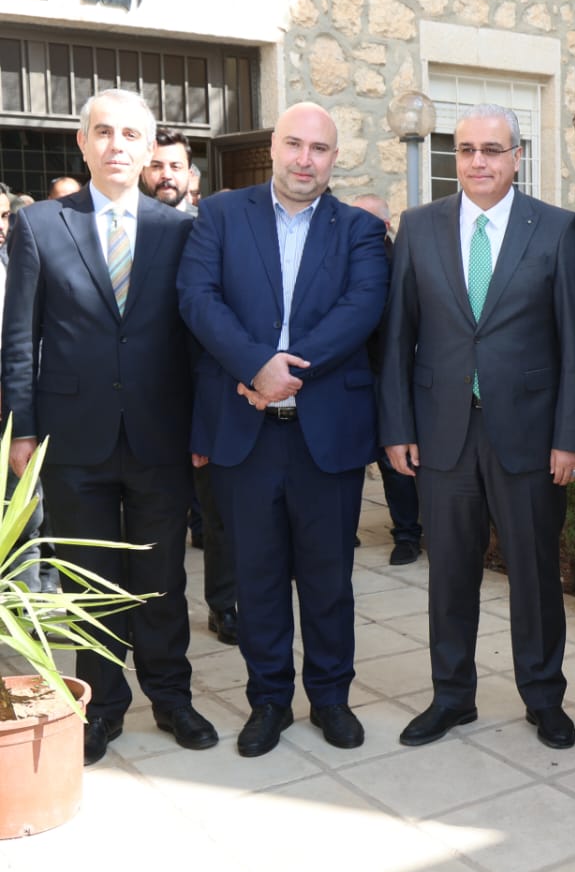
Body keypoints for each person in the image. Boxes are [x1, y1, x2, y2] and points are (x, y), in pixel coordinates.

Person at [2, 88, 218, 765]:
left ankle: (172, 698)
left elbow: (196, 339)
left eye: (130, 134)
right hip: (72, 438)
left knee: (161, 580)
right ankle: (102, 708)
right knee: (86, 583)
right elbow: (19, 337)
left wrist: (203, 429)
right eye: (103, 131)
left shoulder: (180, 230)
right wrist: (21, 429)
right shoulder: (40, 224)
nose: (116, 144)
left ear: (149, 147)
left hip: (161, 435)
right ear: (83, 142)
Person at [380, 103, 575, 751]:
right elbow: (397, 339)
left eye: (492, 150)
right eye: (467, 149)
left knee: (534, 575)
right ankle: (452, 697)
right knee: (449, 574)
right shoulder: (419, 227)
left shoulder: (556, 230)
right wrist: (397, 426)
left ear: (517, 157)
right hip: (442, 433)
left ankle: (544, 697)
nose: (478, 161)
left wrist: (570, 437)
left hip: (529, 437)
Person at [178, 101, 388, 757]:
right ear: (273, 147)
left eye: (319, 149)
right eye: (294, 144)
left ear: (334, 158)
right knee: (258, 578)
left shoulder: (360, 229)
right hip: (245, 431)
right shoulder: (219, 215)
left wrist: (282, 372)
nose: (305, 159)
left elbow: (362, 307)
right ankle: (268, 701)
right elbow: (197, 298)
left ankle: (330, 698)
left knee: (329, 579)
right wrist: (253, 366)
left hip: (327, 433)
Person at [142, 126, 239, 644]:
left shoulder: (212, 231)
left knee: (218, 517)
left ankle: (224, 605)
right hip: (141, 404)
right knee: (151, 525)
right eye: (157, 165)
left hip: (207, 399)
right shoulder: (124, 231)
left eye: (175, 166)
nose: (166, 175)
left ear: (191, 174)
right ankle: (149, 616)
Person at [351, 192, 423, 566]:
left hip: (388, 376)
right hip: (349, 377)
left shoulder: (399, 263)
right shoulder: (342, 260)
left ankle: (407, 535)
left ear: (385, 226)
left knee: (394, 460)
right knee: (346, 460)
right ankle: (344, 530)